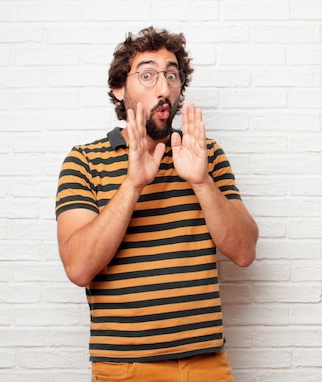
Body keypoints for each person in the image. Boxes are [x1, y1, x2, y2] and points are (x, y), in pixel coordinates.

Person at [55, 26, 258, 382]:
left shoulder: (205, 155)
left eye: (171, 75)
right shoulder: (84, 161)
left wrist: (201, 181)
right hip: (125, 367)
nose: (163, 88)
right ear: (119, 89)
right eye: (147, 75)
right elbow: (79, 268)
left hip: (207, 363)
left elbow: (244, 252)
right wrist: (133, 184)